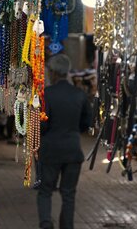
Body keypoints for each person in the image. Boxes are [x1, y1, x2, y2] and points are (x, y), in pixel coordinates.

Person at [37, 54, 92, 229]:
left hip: (51, 150)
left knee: (45, 190)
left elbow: (42, 125)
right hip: (73, 150)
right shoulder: (80, 94)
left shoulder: (46, 95)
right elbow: (86, 122)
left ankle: (46, 223)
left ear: (53, 72)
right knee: (68, 194)